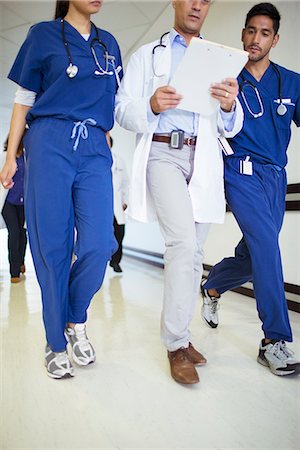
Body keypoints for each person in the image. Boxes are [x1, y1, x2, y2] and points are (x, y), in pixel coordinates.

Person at [115, 0, 244, 384]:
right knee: (183, 245)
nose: (197, 5)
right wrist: (152, 104)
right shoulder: (146, 55)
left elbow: (230, 126)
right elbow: (121, 110)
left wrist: (228, 105)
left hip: (202, 154)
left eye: (205, 0)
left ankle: (183, 337)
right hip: (162, 152)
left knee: (196, 253)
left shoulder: (217, 58)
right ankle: (174, 344)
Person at [0, 0, 122, 379]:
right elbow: (23, 101)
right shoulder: (43, 35)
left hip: (95, 145)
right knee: (53, 245)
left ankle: (74, 318)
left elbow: (117, 103)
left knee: (101, 243)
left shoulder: (110, 45)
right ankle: (56, 342)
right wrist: (10, 157)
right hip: (49, 140)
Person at [201, 3, 300, 376]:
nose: (255, 39)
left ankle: (212, 287)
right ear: (242, 34)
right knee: (266, 247)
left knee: (253, 256)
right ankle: (274, 340)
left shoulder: (291, 81)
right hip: (239, 172)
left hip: (275, 177)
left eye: (264, 33)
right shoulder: (226, 79)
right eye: (250, 31)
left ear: (275, 39)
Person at [1, 134, 27, 283]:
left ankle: (21, 261)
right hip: (8, 202)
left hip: (24, 202)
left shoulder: (27, 157)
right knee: (14, 232)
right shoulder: (5, 157)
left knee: (23, 233)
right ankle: (14, 272)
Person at [108, 136, 129, 273]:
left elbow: (126, 183)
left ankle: (115, 261)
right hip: (100, 205)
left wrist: (126, 201)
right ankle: (102, 260)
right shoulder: (94, 160)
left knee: (119, 233)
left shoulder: (119, 161)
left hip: (116, 205)